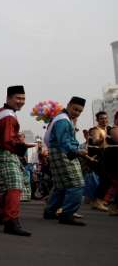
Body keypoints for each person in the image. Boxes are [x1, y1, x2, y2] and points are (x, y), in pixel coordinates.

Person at [0, 85, 33, 236]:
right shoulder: (9, 116)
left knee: (8, 188)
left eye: (23, 99)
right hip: (3, 153)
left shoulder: (0, 113)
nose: (21, 101)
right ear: (8, 98)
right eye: (18, 98)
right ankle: (11, 222)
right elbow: (7, 140)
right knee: (15, 186)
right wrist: (21, 146)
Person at [43, 97, 87, 226]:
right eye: (75, 109)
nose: (77, 113)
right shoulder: (63, 120)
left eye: (80, 111)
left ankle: (50, 212)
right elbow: (64, 141)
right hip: (64, 153)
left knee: (61, 186)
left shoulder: (61, 117)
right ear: (68, 105)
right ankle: (67, 214)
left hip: (57, 152)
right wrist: (76, 151)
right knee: (76, 184)